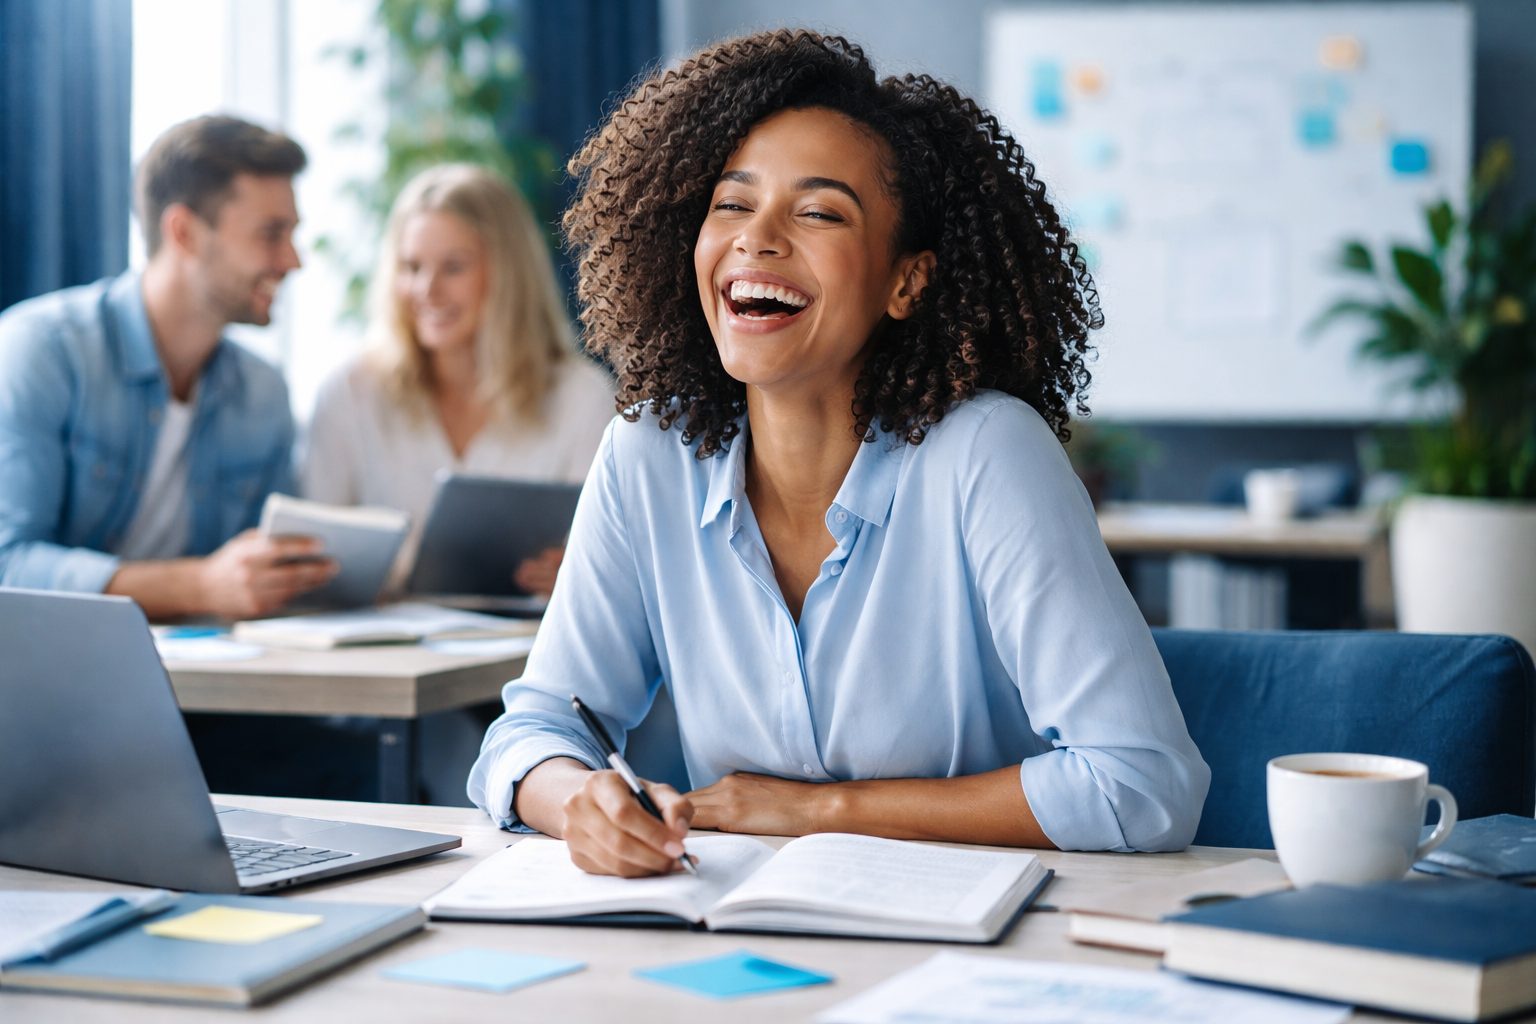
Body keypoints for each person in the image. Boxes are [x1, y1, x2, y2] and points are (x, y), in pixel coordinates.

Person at [469, 30, 1211, 875]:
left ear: (908, 281)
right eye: (732, 203)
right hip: (739, 934)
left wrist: (820, 812)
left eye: (818, 211)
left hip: (973, 936)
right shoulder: (649, 455)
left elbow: (1145, 785)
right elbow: (532, 733)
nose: (758, 239)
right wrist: (583, 805)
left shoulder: (987, 454)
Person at [0, 116, 334, 619]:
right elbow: (8, 566)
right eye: (271, 234)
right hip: (54, 683)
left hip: (220, 683)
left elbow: (271, 574)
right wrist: (198, 587)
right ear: (184, 233)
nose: (292, 260)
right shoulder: (40, 352)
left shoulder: (262, 393)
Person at [302, 163, 614, 595]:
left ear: (506, 275)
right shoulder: (350, 393)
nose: (427, 290)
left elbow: (612, 563)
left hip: (525, 647)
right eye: (411, 267)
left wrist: (579, 574)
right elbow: (312, 562)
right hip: (381, 654)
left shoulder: (580, 398)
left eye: (453, 267)